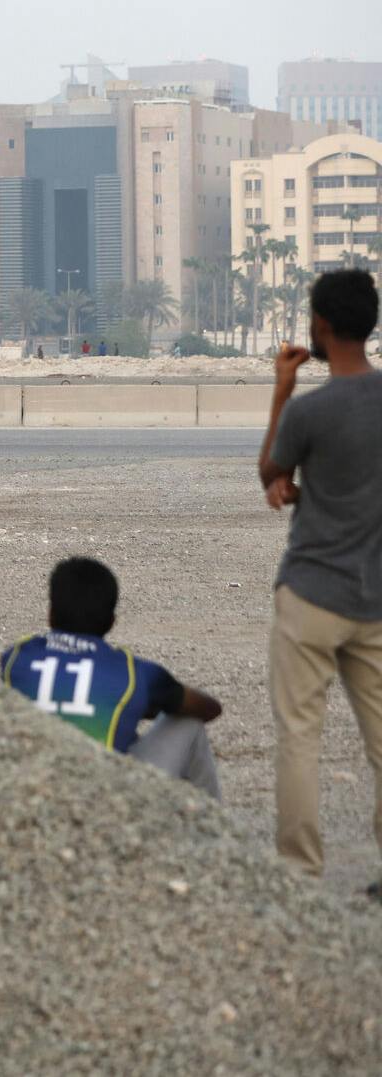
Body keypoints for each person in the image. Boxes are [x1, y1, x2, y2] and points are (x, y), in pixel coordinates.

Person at [256, 268, 382, 885]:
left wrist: (283, 389)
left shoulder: (311, 411)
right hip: (376, 597)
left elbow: (269, 473)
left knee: (300, 739)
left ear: (322, 325)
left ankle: (301, 874)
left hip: (310, 592)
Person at [1, 558, 224, 796]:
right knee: (188, 721)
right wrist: (141, 704)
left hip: (29, 790)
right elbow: (209, 709)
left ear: (50, 613)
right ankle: (209, 816)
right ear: (111, 622)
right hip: (109, 798)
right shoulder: (134, 674)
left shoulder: (15, 658)